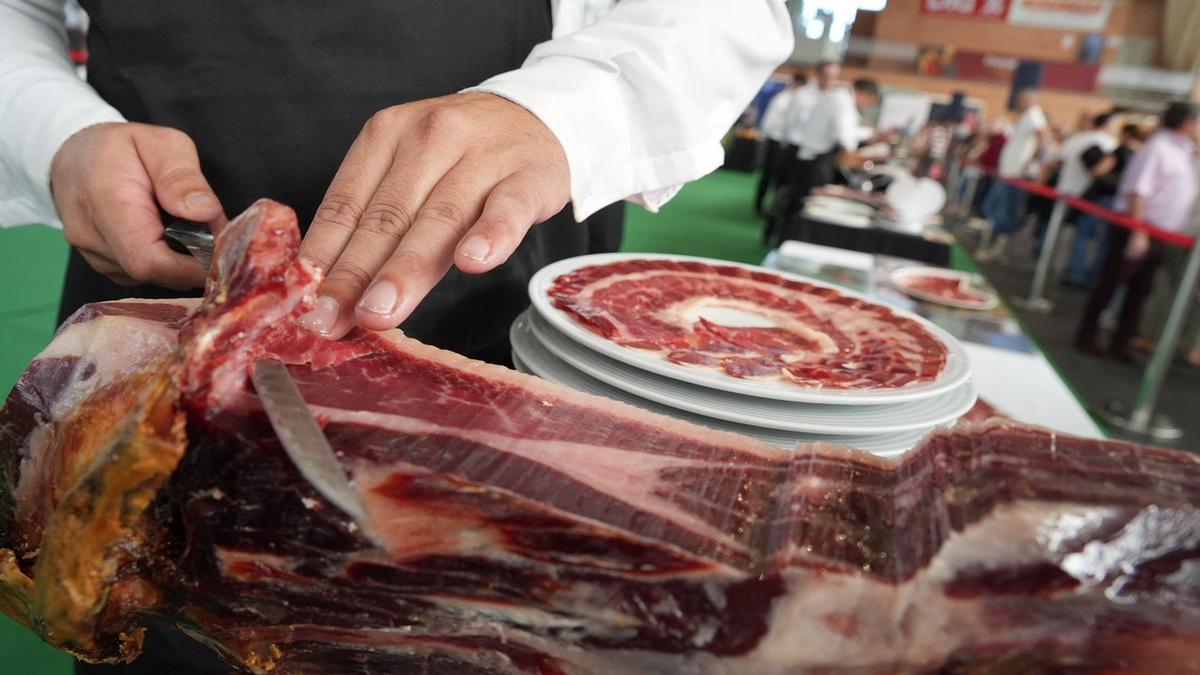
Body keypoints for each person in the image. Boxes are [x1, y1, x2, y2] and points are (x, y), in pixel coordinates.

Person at [0, 1, 792, 672]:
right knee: (162, 605)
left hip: (487, 350)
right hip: (165, 314)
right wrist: (58, 132)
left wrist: (571, 106)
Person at [1075, 102, 1199, 362]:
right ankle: (1086, 335)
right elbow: (1137, 192)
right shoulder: (1158, 148)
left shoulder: (1184, 150)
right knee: (1112, 283)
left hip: (1160, 233)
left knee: (1139, 292)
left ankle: (1122, 343)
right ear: (1188, 122)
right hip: (1139, 228)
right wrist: (1138, 231)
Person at [768, 64, 877, 244]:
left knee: (796, 201)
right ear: (865, 94)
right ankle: (787, 240)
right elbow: (845, 136)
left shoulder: (838, 97)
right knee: (805, 204)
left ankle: (784, 237)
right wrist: (858, 151)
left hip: (812, 155)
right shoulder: (840, 100)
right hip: (812, 159)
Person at [1063, 122, 1145, 287]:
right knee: (1104, 242)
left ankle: (1076, 273)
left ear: (1126, 134)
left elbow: (1099, 171)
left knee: (1084, 236)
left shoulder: (1120, 151)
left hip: (1102, 199)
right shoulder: (1141, 155)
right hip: (1120, 204)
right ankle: (1095, 278)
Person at [978, 89, 1049, 261]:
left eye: (1021, 98)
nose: (1017, 102)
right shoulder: (1027, 116)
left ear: (1028, 100)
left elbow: (1043, 135)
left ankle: (998, 249)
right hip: (1009, 173)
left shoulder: (1034, 115)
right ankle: (996, 246)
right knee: (996, 209)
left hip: (1016, 174)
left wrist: (1031, 162)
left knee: (1006, 213)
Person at [754, 72, 808, 215]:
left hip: (789, 144)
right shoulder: (782, 99)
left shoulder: (802, 101)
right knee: (768, 175)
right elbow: (770, 122)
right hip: (776, 141)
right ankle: (759, 206)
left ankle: (775, 208)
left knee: (783, 178)